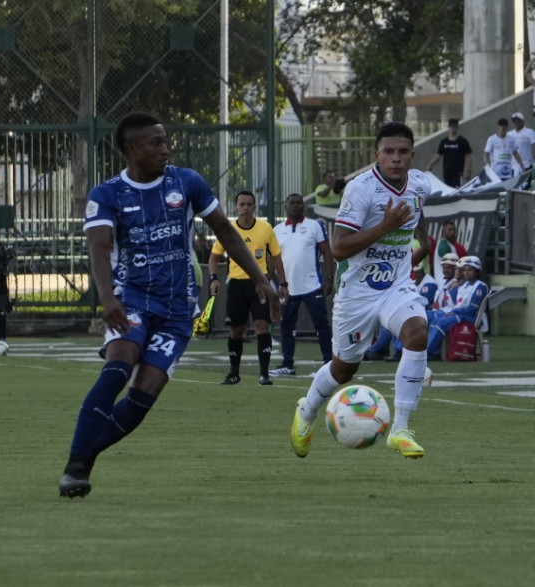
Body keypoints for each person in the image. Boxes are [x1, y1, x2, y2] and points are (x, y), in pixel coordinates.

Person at [58, 112, 281, 497]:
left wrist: (262, 279)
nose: (166, 148)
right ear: (132, 150)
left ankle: (84, 455)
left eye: (165, 141)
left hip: (178, 310)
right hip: (130, 299)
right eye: (156, 143)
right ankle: (76, 468)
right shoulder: (107, 195)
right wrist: (107, 297)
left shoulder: (186, 182)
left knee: (141, 399)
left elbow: (225, 231)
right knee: (118, 368)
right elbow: (99, 246)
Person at [289, 121, 432, 460]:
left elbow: (415, 216)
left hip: (396, 285)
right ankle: (307, 411)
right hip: (357, 294)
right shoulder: (360, 189)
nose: (396, 158)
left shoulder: (421, 184)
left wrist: (420, 246)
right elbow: (338, 248)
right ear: (376, 155)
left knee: (417, 333)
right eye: (389, 152)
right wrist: (386, 226)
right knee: (344, 368)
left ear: (412, 156)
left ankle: (400, 429)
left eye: (403, 152)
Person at [209, 190, 288, 386]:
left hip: (259, 284)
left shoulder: (265, 228)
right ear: (235, 207)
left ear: (254, 207)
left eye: (249, 204)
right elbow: (214, 256)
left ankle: (264, 374)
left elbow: (276, 257)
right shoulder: (227, 229)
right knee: (236, 330)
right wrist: (213, 278)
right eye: (241, 204)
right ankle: (234, 373)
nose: (245, 208)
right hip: (236, 284)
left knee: (262, 325)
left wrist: (283, 283)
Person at [269, 193, 334, 378]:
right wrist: (274, 282)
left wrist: (329, 278)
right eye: (292, 203)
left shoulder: (314, 226)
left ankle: (328, 365)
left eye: (299, 203)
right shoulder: (277, 230)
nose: (296, 206)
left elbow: (327, 252)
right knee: (287, 326)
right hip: (288, 288)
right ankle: (288, 365)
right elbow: (272, 259)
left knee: (321, 325)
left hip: (313, 286)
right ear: (285, 207)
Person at [425, 255, 489, 359]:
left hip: (472, 318)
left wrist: (454, 312)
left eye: (470, 270)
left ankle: (427, 353)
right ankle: (433, 353)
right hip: (460, 315)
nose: (466, 272)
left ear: (477, 271)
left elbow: (472, 309)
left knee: (440, 322)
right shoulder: (464, 285)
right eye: (465, 270)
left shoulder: (480, 286)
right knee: (435, 320)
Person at [427, 118, 473, 188]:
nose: (453, 129)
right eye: (451, 127)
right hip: (446, 172)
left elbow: (468, 156)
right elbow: (438, 154)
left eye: (454, 127)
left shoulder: (462, 141)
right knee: (447, 192)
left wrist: (468, 170)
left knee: (455, 191)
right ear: (448, 128)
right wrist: (431, 164)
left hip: (458, 173)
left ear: (458, 128)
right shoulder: (444, 141)